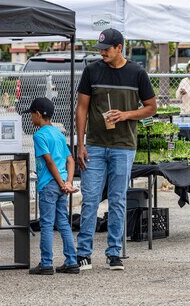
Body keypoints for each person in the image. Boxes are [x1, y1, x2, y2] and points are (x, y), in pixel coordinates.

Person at [76, 28, 157, 271]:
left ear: (119, 47)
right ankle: (83, 253)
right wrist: (80, 143)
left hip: (124, 146)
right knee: (89, 199)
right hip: (95, 145)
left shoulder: (137, 73)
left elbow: (151, 107)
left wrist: (126, 115)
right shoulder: (92, 71)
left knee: (118, 199)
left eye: (106, 49)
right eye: (100, 49)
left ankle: (114, 252)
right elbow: (81, 108)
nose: (102, 53)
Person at [22, 97, 79, 275]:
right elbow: (70, 160)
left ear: (38, 114)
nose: (30, 117)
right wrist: (67, 182)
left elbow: (49, 161)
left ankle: (46, 262)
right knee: (62, 222)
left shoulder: (39, 135)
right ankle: (71, 260)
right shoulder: (59, 134)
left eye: (31, 114)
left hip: (49, 184)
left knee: (46, 224)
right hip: (61, 185)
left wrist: (61, 183)